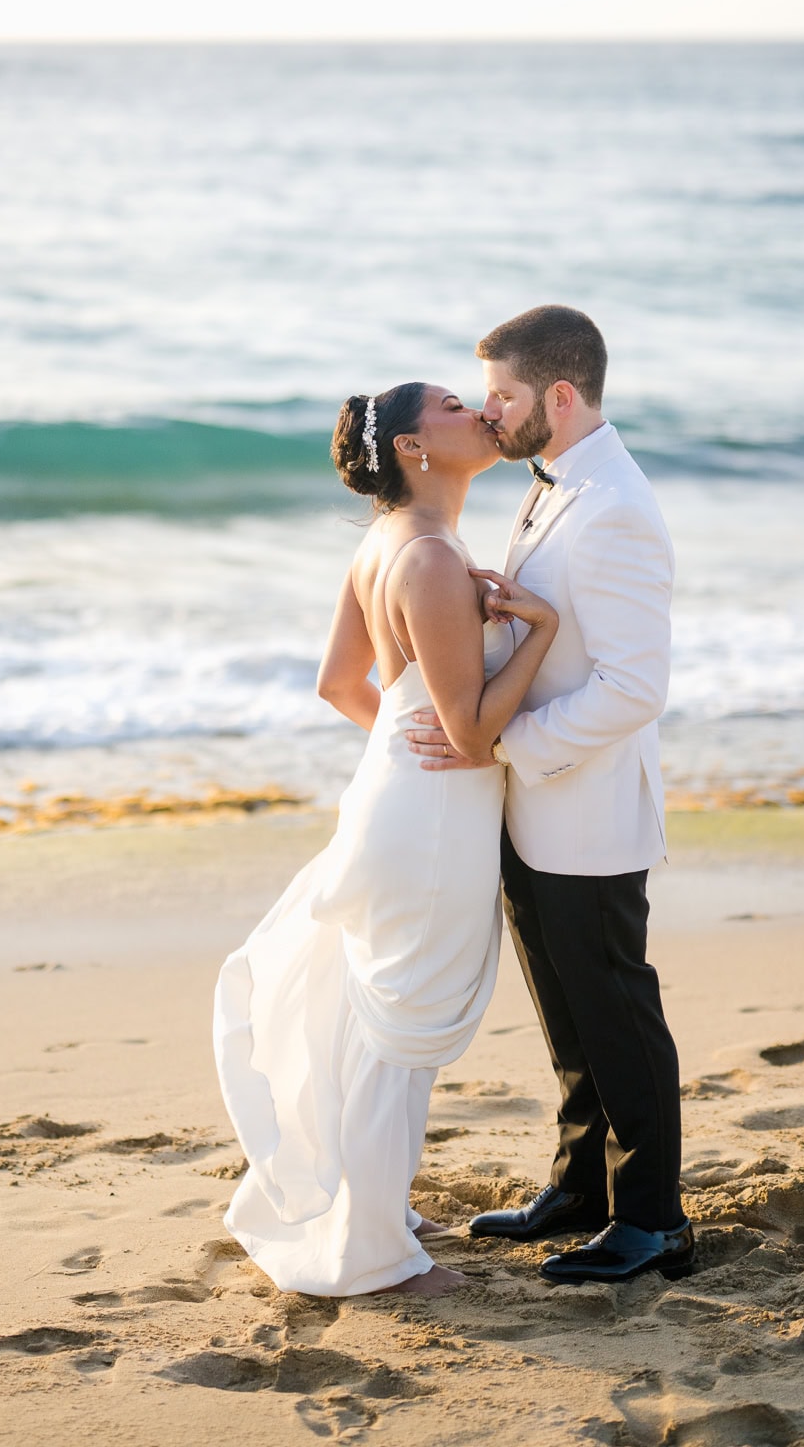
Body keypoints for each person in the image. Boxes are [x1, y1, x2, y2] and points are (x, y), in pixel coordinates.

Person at [213, 381, 559, 1296]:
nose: (479, 412)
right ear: (413, 447)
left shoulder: (384, 544)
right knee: (398, 1031)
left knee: (377, 1015)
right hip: (432, 820)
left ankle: (376, 1208)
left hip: (396, 801)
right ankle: (371, 1251)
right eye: (453, 406)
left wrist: (402, 741)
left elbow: (338, 683)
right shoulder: (435, 559)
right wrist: (540, 632)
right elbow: (475, 732)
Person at [406, 305, 693, 1285]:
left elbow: (633, 686)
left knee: (616, 1010)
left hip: (590, 810)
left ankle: (654, 1217)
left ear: (559, 396)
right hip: (534, 804)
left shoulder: (616, 506)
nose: (489, 413)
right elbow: (564, 631)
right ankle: (581, 1186)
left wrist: (511, 744)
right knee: (568, 1012)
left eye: (504, 396)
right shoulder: (555, 483)